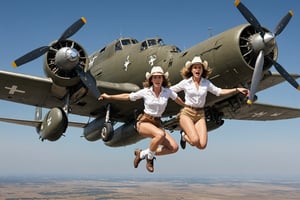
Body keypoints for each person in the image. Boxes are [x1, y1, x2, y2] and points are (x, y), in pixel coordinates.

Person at [99, 66, 186, 173]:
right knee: (160, 135)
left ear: (163, 79)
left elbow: (178, 99)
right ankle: (149, 159)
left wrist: (188, 106)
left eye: (160, 77)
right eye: (155, 77)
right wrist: (109, 97)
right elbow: (128, 96)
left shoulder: (167, 92)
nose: (157, 80)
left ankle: (142, 154)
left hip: (157, 123)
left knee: (174, 148)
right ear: (151, 79)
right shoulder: (145, 92)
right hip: (144, 122)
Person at [170, 56, 249, 150]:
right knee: (194, 140)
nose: (197, 70)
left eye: (199, 67)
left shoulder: (206, 83)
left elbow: (219, 91)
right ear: (191, 70)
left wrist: (236, 89)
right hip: (187, 113)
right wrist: (179, 101)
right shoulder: (186, 82)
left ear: (202, 70)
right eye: (195, 67)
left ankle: (184, 136)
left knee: (202, 146)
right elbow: (170, 90)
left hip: (200, 114)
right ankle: (184, 135)